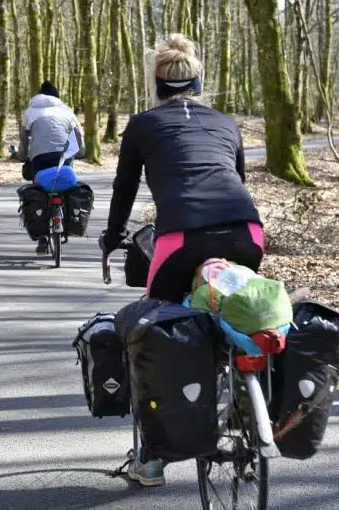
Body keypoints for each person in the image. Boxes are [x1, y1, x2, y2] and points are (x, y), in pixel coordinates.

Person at [99, 34, 264, 487]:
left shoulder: (143, 125)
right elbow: (237, 179)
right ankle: (247, 407)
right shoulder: (227, 123)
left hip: (181, 239)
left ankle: (151, 460)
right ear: (200, 80)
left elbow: (125, 189)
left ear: (157, 85)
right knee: (235, 312)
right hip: (246, 232)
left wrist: (112, 239)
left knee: (160, 332)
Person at [19, 81, 85, 253]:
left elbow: (24, 140)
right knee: (66, 182)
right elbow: (79, 137)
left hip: (39, 157)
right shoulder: (67, 110)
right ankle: (66, 221)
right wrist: (81, 152)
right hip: (64, 156)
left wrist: (22, 156)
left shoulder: (30, 111)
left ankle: (42, 238)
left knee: (38, 187)